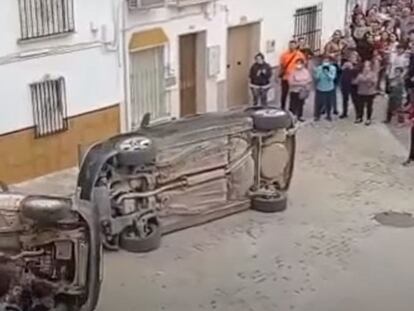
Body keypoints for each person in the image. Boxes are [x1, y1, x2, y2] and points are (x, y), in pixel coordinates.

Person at [354, 60, 378, 125]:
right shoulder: (360, 74)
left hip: (370, 93)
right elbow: (355, 82)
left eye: (368, 66)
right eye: (365, 66)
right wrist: (361, 79)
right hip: (361, 92)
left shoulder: (373, 74)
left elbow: (374, 82)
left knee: (369, 106)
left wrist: (367, 80)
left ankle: (368, 119)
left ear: (370, 67)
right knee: (360, 106)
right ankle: (360, 117)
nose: (366, 68)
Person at [313, 56, 337, 121]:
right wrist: (319, 72)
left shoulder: (333, 68)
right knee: (319, 103)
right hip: (320, 88)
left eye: (327, 61)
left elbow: (332, 78)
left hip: (329, 88)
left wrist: (327, 73)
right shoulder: (319, 68)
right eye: (324, 61)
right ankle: (317, 116)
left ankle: (328, 115)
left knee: (329, 103)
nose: (325, 63)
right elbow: (316, 78)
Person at [340, 52, 360, 119]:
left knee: (355, 99)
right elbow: (340, 72)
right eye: (351, 56)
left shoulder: (358, 65)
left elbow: (357, 75)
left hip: (353, 84)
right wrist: (343, 67)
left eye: (354, 56)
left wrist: (352, 68)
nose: (352, 58)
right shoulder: (345, 63)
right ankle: (344, 112)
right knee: (345, 99)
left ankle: (358, 114)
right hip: (345, 83)